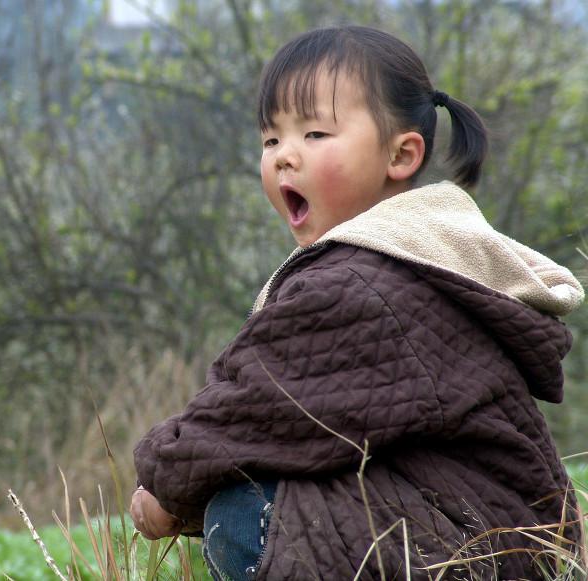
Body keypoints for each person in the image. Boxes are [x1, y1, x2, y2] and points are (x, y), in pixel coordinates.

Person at [130, 25, 585, 580]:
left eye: (315, 134)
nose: (283, 158)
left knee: (250, 516)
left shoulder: (366, 285)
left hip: (476, 548)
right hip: (489, 535)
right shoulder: (404, 261)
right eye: (271, 140)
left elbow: (256, 405)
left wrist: (164, 486)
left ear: (401, 154)